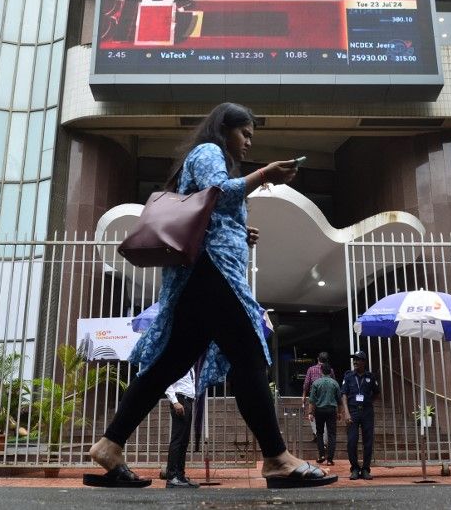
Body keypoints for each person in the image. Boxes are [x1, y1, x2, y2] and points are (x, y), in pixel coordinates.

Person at [85, 102, 337, 489]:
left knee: (170, 363)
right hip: (210, 273)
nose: (249, 142)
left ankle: (110, 444)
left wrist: (240, 233)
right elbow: (217, 194)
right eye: (245, 133)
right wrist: (267, 174)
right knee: (250, 353)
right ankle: (276, 458)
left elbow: (211, 211)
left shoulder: (212, 157)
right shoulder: (209, 152)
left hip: (205, 275)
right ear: (225, 128)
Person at [340, 350, 380, 480]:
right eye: (354, 359)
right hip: (352, 411)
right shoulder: (348, 376)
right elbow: (344, 394)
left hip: (367, 412)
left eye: (357, 359)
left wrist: (368, 402)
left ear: (364, 362)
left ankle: (366, 469)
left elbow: (376, 393)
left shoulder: (371, 377)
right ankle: (355, 468)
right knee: (352, 441)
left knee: (368, 441)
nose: (355, 362)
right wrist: (346, 412)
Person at [163, 366, 197, 488]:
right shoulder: (178, 362)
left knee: (183, 441)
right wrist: (175, 401)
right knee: (177, 440)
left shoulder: (191, 367)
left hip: (188, 401)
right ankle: (172, 477)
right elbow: (167, 381)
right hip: (180, 400)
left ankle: (180, 475)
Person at [307, 364, 340, 465]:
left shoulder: (316, 383)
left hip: (320, 410)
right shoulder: (335, 383)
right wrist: (339, 412)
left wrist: (310, 413)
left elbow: (312, 400)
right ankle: (330, 459)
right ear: (330, 372)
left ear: (321, 371)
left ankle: (321, 455)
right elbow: (339, 400)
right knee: (332, 434)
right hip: (331, 410)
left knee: (320, 433)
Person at [301, 351, 330, 443]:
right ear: (327, 360)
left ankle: (319, 436)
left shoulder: (311, 369)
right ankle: (319, 437)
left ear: (318, 359)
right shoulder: (330, 370)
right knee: (324, 418)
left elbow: (306, 384)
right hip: (326, 397)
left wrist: (304, 396)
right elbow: (333, 383)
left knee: (312, 416)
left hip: (314, 397)